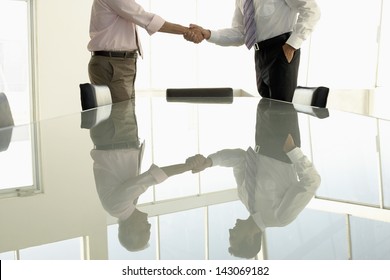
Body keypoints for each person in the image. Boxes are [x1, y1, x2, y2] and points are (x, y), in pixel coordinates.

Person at [187, 99, 322, 258]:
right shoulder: (280, 218)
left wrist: (209, 162)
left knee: (265, 88)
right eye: (233, 237)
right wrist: (293, 151)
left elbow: (240, 159)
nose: (230, 231)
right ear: (250, 239)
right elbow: (312, 182)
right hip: (283, 145)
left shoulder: (244, 197)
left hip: (261, 138)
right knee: (281, 84)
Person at [85, 99, 206, 251]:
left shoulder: (117, 207)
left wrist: (189, 166)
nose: (149, 225)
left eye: (145, 230)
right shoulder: (126, 205)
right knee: (119, 84)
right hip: (119, 135)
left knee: (115, 82)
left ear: (130, 230)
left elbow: (152, 178)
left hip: (115, 133)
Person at [186, 0, 321, 102]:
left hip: (282, 50)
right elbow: (241, 34)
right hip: (260, 54)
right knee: (267, 110)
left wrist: (292, 45)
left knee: (282, 110)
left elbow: (311, 11)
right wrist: (208, 34)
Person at [87, 0, 203, 103]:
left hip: (120, 63)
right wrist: (186, 31)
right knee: (122, 121)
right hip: (113, 65)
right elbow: (146, 19)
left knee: (125, 119)